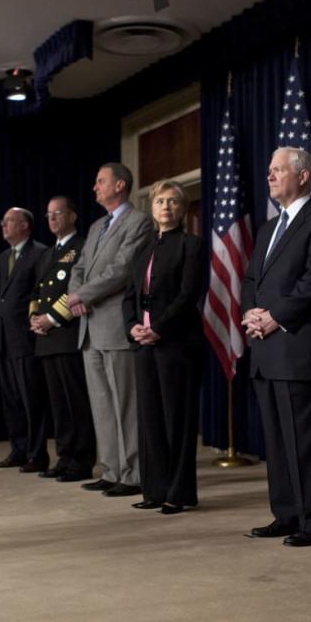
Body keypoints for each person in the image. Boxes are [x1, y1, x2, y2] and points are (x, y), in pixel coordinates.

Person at [240, 147, 311, 547]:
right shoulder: (268, 228)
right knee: (278, 441)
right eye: (268, 170)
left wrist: (275, 316)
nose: (269, 176)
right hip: (265, 349)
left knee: (304, 442)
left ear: (303, 176)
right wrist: (251, 312)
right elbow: (251, 279)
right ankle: (285, 514)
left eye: (278, 170)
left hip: (298, 347)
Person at [67, 163, 153, 497]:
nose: (95, 187)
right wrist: (77, 296)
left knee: (125, 404)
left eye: (100, 181)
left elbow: (122, 271)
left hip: (115, 326)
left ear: (120, 185)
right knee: (101, 404)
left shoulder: (138, 222)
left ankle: (132, 474)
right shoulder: (97, 225)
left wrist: (82, 295)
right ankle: (112, 469)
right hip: (89, 327)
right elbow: (80, 267)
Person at [122, 180, 203, 515]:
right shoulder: (143, 249)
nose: (166, 207)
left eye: (173, 202)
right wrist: (133, 327)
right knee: (150, 418)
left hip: (176, 344)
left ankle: (178, 492)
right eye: (160, 202)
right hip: (143, 344)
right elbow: (129, 296)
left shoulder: (190, 245)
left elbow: (188, 295)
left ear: (182, 209)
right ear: (151, 208)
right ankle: (154, 489)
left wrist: (158, 328)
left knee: (177, 419)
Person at [29, 196, 97, 483]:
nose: (52, 218)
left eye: (58, 213)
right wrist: (34, 318)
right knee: (58, 404)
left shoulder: (81, 247)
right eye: (48, 214)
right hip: (46, 338)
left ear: (73, 216)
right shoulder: (46, 254)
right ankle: (65, 456)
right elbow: (37, 292)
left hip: (67, 333)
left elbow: (76, 288)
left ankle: (82, 460)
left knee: (75, 402)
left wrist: (52, 318)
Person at [0, 207, 50, 472]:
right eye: (3, 222)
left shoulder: (39, 253)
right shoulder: (5, 256)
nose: (3, 225)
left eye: (9, 221)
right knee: (11, 398)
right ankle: (18, 449)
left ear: (25, 225)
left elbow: (39, 292)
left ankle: (37, 454)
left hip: (26, 339)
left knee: (31, 399)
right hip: (5, 338)